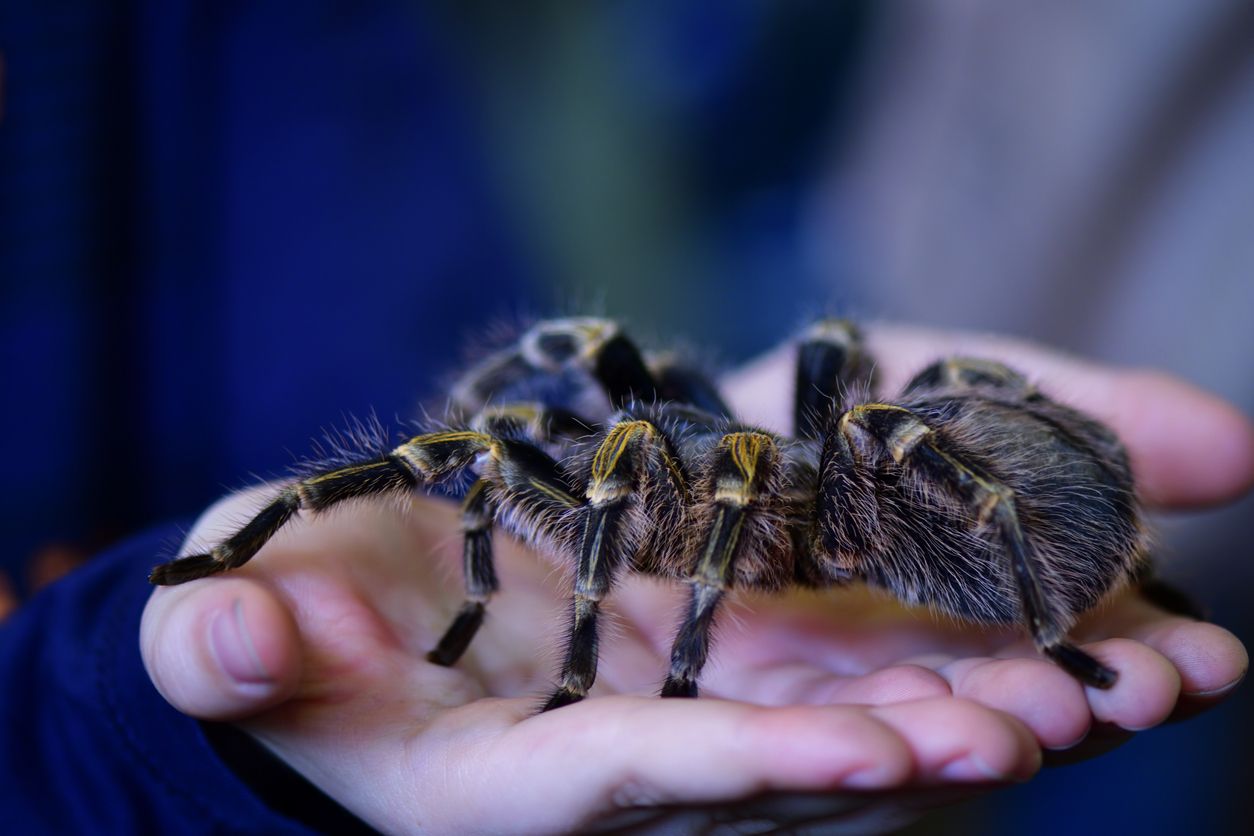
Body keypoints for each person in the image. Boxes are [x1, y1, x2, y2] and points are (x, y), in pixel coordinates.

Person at [6, 322, 1244, 834]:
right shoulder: (618, 449)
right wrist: (473, 566)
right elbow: (524, 420)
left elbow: (781, 441)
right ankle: (241, 543)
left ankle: (1072, 608)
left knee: (874, 406)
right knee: (517, 421)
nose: (606, 452)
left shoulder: (748, 455)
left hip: (885, 528)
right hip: (889, 514)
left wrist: (656, 653)